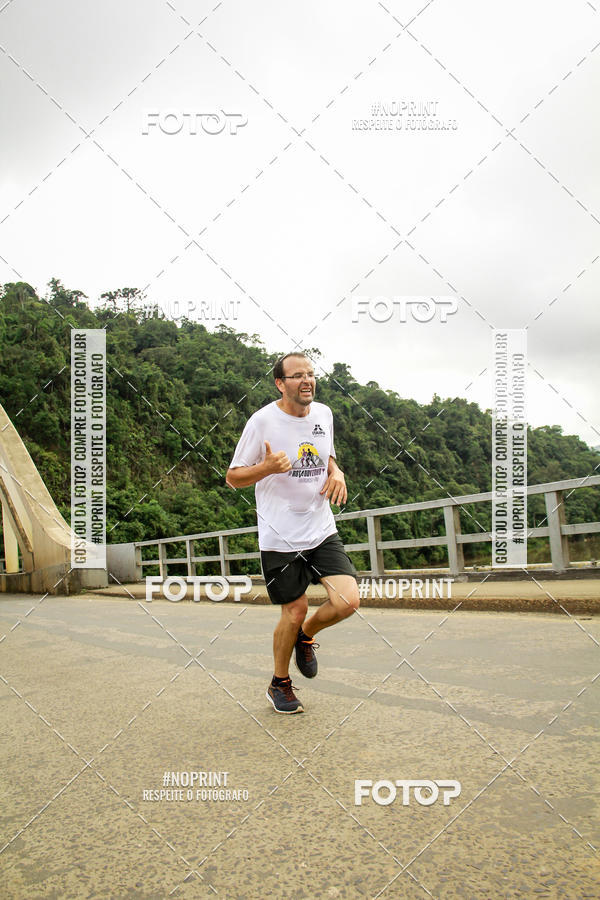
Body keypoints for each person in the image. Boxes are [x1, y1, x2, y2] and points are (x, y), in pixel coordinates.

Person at [226, 352, 360, 714]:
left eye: (311, 374)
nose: (307, 381)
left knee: (348, 600)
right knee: (295, 608)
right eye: (297, 375)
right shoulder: (262, 422)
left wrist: (337, 473)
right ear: (280, 384)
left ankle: (306, 636)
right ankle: (279, 683)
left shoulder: (324, 414)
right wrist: (265, 467)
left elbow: (327, 455)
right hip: (280, 536)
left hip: (320, 527)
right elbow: (233, 476)